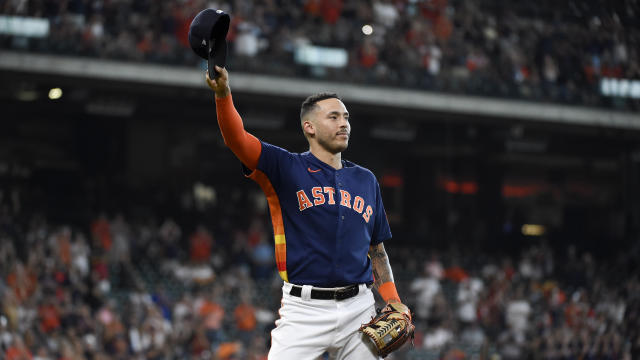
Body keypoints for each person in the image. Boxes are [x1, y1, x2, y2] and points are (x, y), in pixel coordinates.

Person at [206, 65, 410, 359]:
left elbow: (376, 250)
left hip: (360, 308)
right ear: (309, 127)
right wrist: (223, 94)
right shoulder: (286, 167)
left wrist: (392, 301)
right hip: (304, 310)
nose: (344, 123)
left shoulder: (365, 180)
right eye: (334, 116)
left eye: (346, 117)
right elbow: (236, 139)